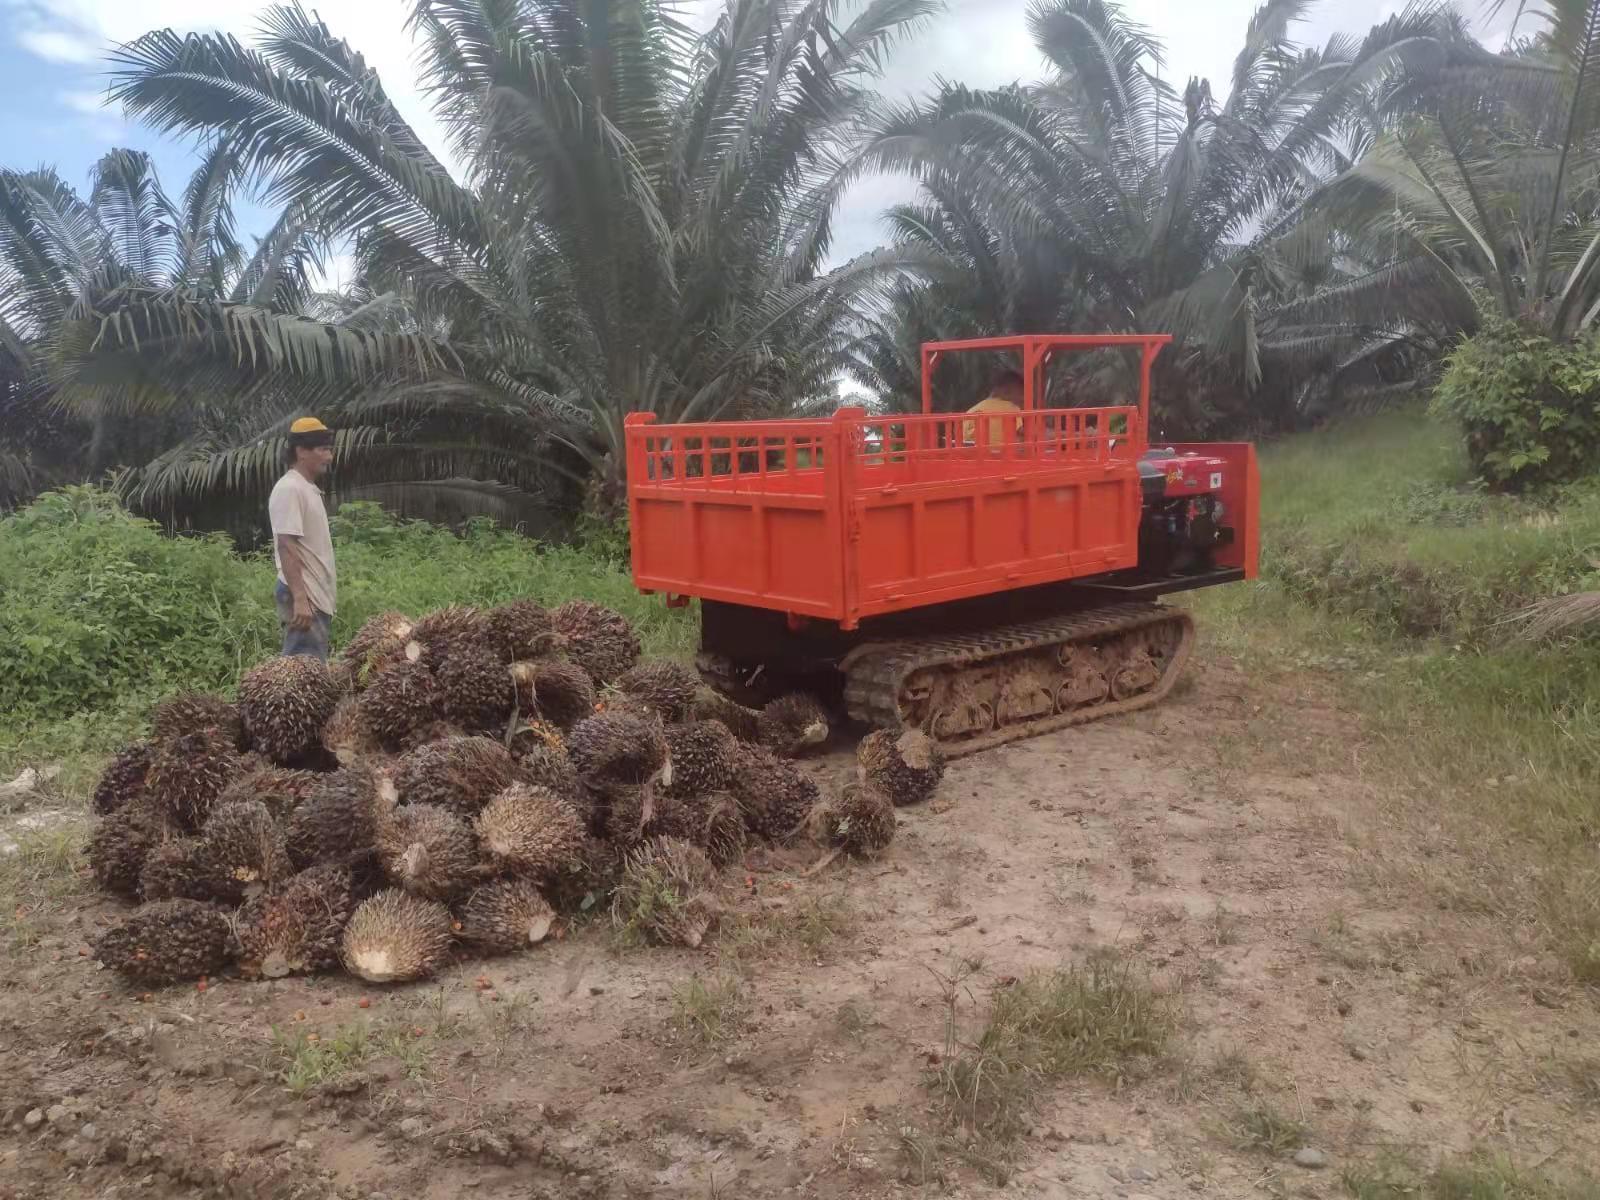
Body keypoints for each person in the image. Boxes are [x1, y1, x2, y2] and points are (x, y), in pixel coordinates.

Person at [268, 417, 337, 661]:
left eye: (330, 450)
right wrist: (300, 599)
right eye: (323, 450)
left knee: (307, 673)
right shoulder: (290, 489)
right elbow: (286, 545)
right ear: (301, 451)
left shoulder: (307, 488)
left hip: (313, 595)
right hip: (304, 594)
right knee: (300, 675)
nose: (329, 457)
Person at [961, 369, 1026, 448]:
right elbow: (1022, 433)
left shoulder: (970, 411)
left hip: (974, 457)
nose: (1021, 398)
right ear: (1006, 391)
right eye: (1020, 393)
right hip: (1004, 457)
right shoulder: (1011, 408)